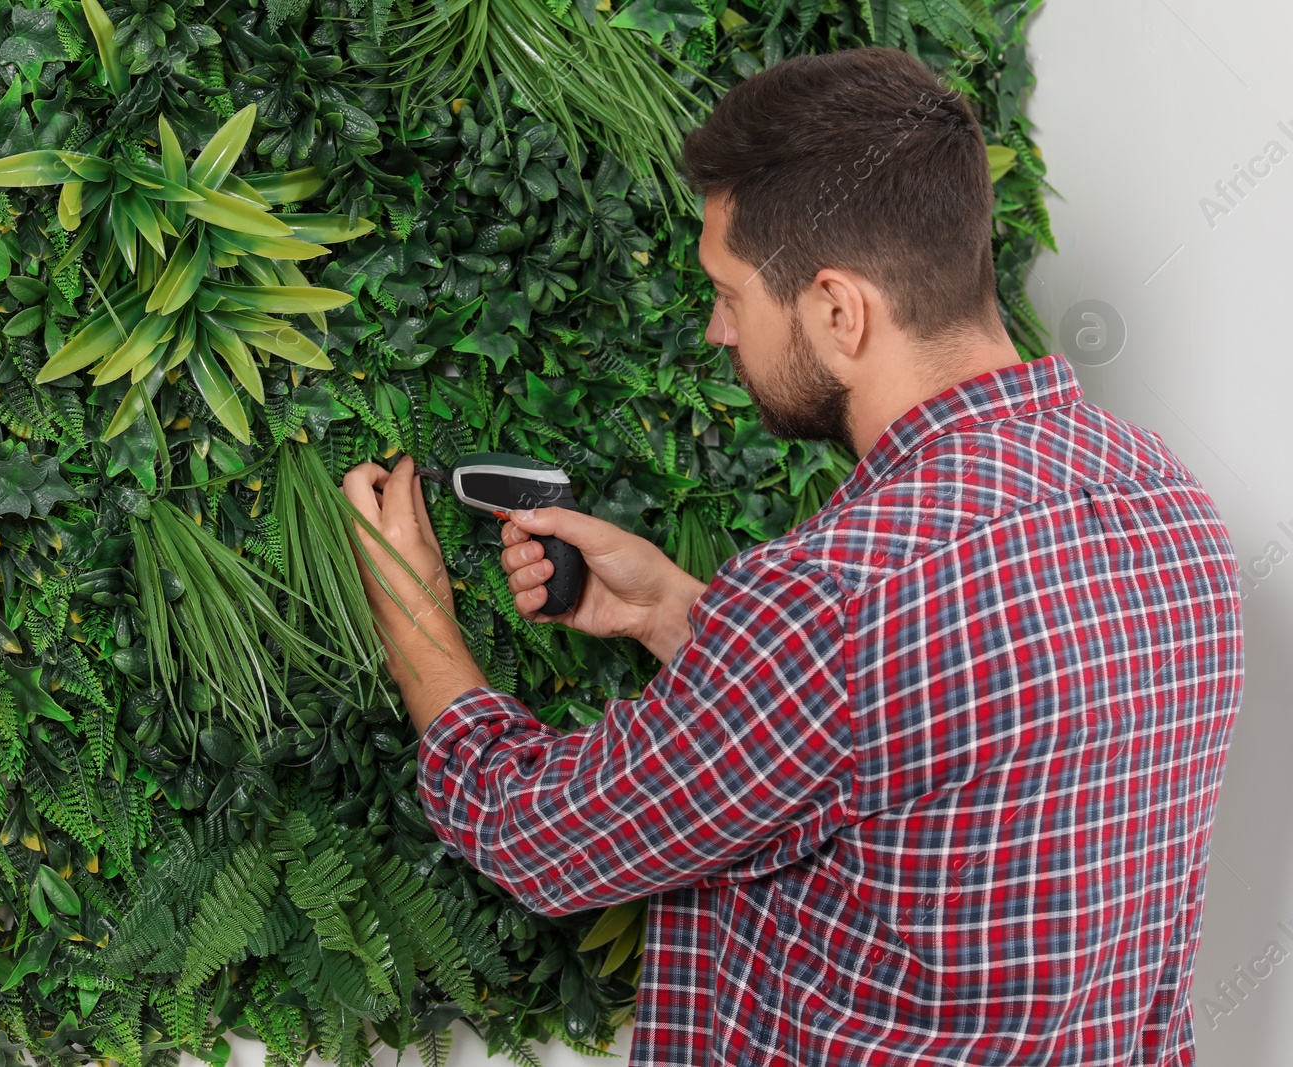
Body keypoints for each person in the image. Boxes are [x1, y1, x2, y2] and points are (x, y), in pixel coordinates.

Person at [342, 46, 1243, 1066]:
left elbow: (535, 835)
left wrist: (413, 614)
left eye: (730, 292)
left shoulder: (832, 602)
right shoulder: (1162, 497)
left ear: (836, 309)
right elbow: (918, 730)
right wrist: (674, 614)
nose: (718, 330)